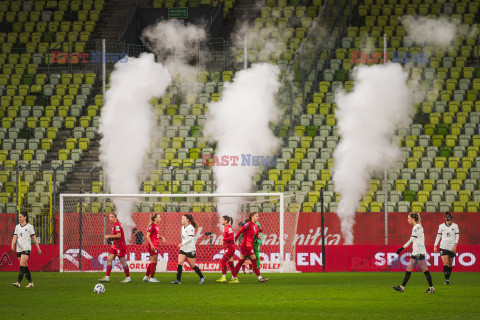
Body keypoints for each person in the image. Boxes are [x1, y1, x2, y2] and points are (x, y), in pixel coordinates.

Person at [393, 212, 434, 293]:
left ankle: (431, 288)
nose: (407, 220)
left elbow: (411, 240)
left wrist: (402, 248)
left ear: (412, 219)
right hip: (416, 252)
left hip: (419, 252)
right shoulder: (417, 227)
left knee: (424, 270)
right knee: (408, 269)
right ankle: (402, 287)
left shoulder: (416, 227)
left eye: (408, 218)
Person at [232, 212, 269, 283]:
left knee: (241, 262)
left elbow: (255, 234)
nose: (257, 218)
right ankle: (260, 278)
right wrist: (235, 240)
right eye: (256, 216)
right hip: (246, 245)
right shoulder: (248, 224)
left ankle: (233, 277)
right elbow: (240, 232)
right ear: (252, 217)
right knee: (254, 261)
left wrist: (258, 236)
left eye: (257, 216)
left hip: (248, 245)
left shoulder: (255, 226)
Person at [171, 214, 205, 284]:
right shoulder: (182, 227)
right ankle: (178, 280)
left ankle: (202, 277)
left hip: (190, 249)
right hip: (183, 248)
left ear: (188, 220)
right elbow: (184, 238)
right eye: (181, 219)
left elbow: (190, 238)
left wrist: (182, 244)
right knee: (180, 263)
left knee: (192, 265)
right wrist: (182, 245)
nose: (182, 220)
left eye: (183, 219)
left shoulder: (191, 227)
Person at [11, 212, 42, 288]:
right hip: (19, 248)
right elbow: (15, 237)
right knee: (25, 266)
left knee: (21, 264)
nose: (19, 218)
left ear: (25, 217)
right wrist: (12, 244)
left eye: (21, 217)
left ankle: (18, 282)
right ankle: (31, 283)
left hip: (26, 248)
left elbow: (34, 238)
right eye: (18, 217)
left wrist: (38, 248)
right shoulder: (17, 227)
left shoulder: (30, 227)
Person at [99, 212, 131, 283]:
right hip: (115, 246)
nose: (110, 218)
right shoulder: (114, 225)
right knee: (109, 259)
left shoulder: (117, 225)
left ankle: (128, 277)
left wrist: (109, 236)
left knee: (123, 262)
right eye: (109, 217)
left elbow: (119, 235)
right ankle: (107, 277)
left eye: (112, 217)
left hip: (120, 247)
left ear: (115, 217)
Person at [434, 211, 460, 284]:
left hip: (452, 247)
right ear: (445, 219)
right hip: (443, 246)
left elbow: (457, 236)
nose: (449, 221)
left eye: (450, 220)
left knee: (450, 264)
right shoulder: (441, 226)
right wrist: (435, 245)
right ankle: (446, 279)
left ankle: (448, 277)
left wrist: (455, 245)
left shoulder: (455, 226)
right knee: (446, 263)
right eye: (448, 220)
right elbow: (438, 236)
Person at [143, 213, 165, 283]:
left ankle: (146, 277)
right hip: (152, 246)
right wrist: (152, 245)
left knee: (153, 262)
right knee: (154, 262)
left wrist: (161, 237)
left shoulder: (156, 226)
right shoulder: (151, 226)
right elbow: (148, 236)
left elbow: (155, 235)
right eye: (159, 217)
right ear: (155, 219)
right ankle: (152, 278)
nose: (160, 219)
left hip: (155, 245)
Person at [216, 215, 238, 283]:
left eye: (222, 220)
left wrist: (223, 239)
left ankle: (223, 277)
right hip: (228, 247)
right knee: (230, 263)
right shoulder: (225, 228)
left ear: (226, 221)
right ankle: (235, 278)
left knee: (223, 261)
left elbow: (231, 238)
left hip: (230, 247)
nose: (221, 221)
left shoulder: (229, 228)